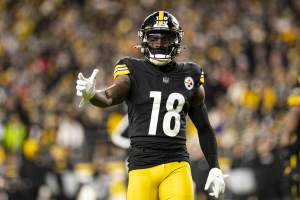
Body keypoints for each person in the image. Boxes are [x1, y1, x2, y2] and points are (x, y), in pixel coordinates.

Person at [76, 11, 226, 200]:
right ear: (145, 40)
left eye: (166, 38)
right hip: (142, 167)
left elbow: (204, 127)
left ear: (177, 40)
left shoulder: (190, 74)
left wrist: (215, 167)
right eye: (154, 39)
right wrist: (92, 95)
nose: (160, 44)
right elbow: (108, 97)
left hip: (177, 165)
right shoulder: (132, 69)